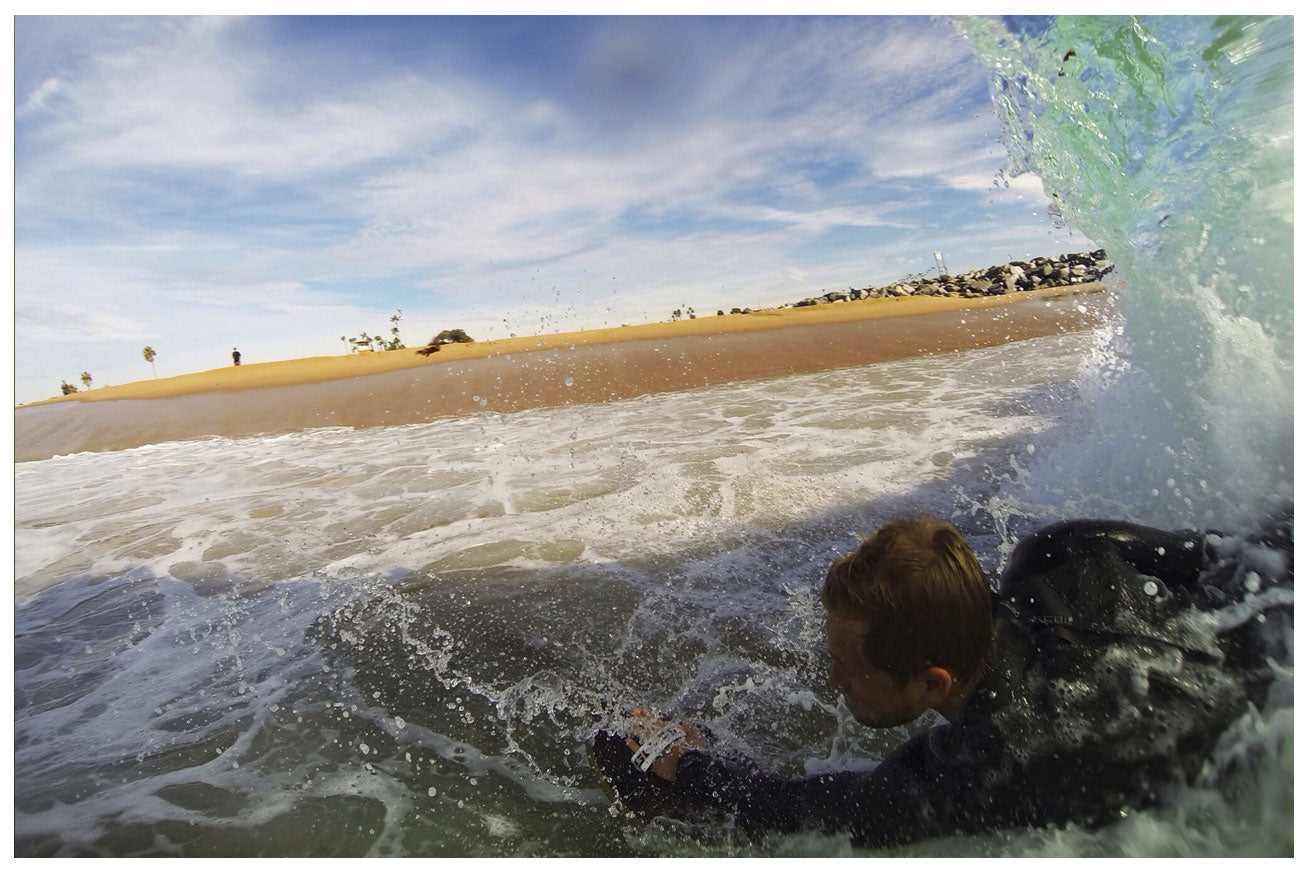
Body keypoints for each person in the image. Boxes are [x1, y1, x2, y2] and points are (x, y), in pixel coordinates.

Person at [614, 513, 1291, 848]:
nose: (833, 678)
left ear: (935, 684)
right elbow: (1234, 558)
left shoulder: (998, 759)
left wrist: (688, 768)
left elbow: (815, 809)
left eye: (853, 669)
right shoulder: (1060, 552)